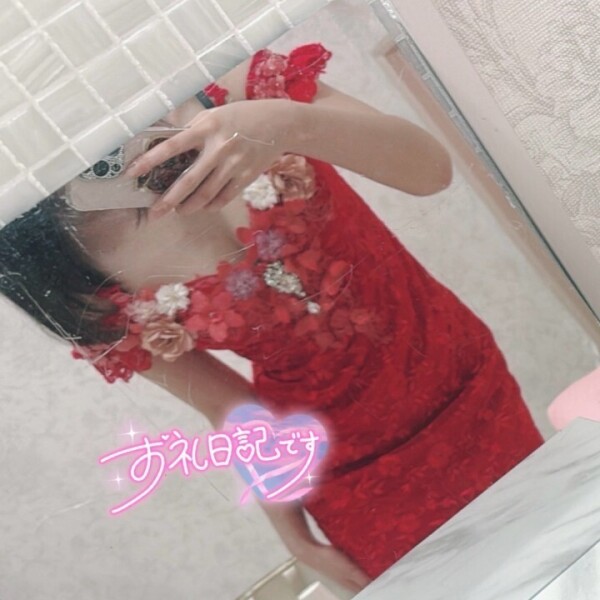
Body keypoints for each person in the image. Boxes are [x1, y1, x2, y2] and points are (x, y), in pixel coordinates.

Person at [0, 42, 544, 593]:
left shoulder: (232, 85)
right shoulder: (57, 267)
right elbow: (233, 409)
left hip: (468, 386)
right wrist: (297, 541)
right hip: (349, 479)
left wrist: (286, 124)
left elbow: (430, 172)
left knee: (556, 551)